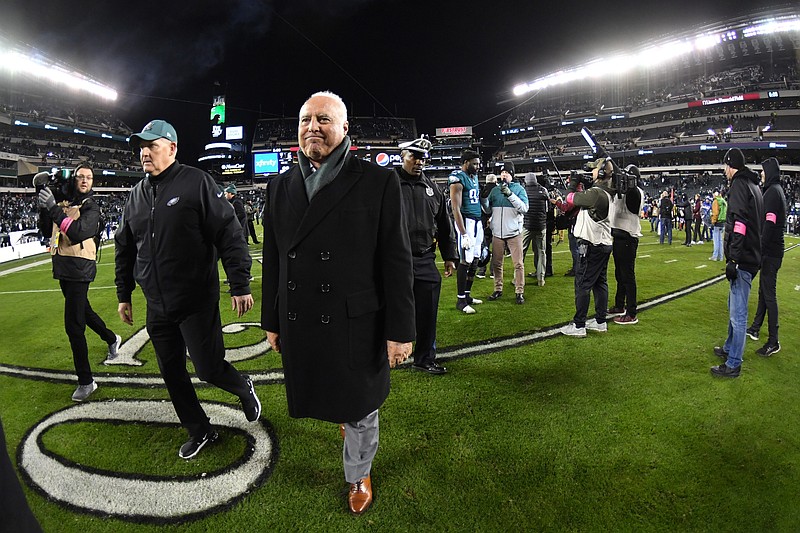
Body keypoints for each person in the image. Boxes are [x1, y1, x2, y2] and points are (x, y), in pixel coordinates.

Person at [260, 92, 415, 516]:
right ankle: (350, 436)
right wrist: (271, 319)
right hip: (303, 317)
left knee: (360, 404)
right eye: (306, 119)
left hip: (356, 320)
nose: (312, 126)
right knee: (326, 395)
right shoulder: (279, 186)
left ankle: (358, 473)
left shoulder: (378, 180)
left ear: (345, 129)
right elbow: (274, 260)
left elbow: (396, 261)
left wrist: (400, 331)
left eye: (323, 119)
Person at [115, 119, 261, 459]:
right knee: (172, 374)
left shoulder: (196, 182)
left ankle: (242, 386)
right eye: (141, 147)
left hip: (195, 299)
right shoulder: (136, 195)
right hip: (157, 304)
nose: (144, 152)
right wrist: (124, 293)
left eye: (151, 145)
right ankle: (200, 430)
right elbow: (125, 248)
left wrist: (239, 282)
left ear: (173, 148)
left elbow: (228, 232)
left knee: (208, 368)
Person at [37, 163, 121, 402]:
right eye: (80, 177)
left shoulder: (91, 206)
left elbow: (76, 233)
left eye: (89, 177)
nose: (85, 180)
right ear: (74, 180)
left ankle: (86, 381)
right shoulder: (65, 204)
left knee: (74, 325)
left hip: (80, 268)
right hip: (63, 266)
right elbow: (46, 230)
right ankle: (111, 338)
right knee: (83, 311)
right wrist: (45, 208)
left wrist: (53, 208)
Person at [397, 136, 457, 375]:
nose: (419, 162)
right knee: (388, 310)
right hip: (394, 261)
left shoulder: (432, 189)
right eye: (414, 156)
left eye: (423, 158)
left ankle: (424, 358)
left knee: (427, 312)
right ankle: (383, 355)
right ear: (403, 157)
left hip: (424, 259)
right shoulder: (388, 184)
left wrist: (450, 255)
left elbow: (445, 225)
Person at [712, 148, 763, 378]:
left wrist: (733, 258)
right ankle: (729, 348)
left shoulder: (740, 186)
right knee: (733, 307)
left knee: (738, 313)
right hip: (752, 256)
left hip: (743, 258)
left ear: (731, 165)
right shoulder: (753, 185)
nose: (724, 171)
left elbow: (739, 224)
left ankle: (733, 363)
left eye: (725, 166)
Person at [557, 158, 615, 337]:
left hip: (592, 244)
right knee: (600, 283)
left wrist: (573, 184)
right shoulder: (605, 192)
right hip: (603, 243)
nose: (592, 172)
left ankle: (579, 325)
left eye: (595, 170)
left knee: (583, 283)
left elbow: (570, 199)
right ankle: (600, 321)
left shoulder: (596, 194)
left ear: (602, 172)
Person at [746, 157, 785, 357]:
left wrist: (758, 250)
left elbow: (768, 226)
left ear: (769, 172)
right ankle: (754, 328)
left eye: (763, 171)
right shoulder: (775, 191)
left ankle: (773, 341)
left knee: (769, 294)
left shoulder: (772, 193)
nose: (761, 174)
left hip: (770, 252)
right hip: (772, 251)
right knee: (763, 292)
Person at [483, 162, 529, 304]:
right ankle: (498, 289)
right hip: (498, 233)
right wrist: (483, 198)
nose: (503, 174)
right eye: (502, 172)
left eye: (507, 172)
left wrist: (510, 195)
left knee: (518, 264)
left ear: (512, 175)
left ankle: (519, 291)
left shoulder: (519, 189)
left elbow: (524, 208)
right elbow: (487, 210)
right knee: (497, 263)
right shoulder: (495, 190)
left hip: (514, 232)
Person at [608, 165, 645, 325]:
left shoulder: (635, 192)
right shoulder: (622, 191)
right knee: (619, 274)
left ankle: (631, 312)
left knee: (627, 276)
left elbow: (632, 200)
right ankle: (619, 304)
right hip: (618, 235)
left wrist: (629, 184)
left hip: (628, 237)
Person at [448, 150, 485, 314]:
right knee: (465, 260)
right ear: (465, 162)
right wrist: (463, 233)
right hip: (467, 222)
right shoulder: (457, 178)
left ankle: (468, 295)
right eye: (474, 163)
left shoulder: (474, 177)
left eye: (478, 163)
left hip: (477, 221)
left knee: (476, 258)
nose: (477, 167)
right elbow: (455, 208)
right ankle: (460, 300)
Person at [523, 171, 549, 286]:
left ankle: (517, 279)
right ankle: (541, 279)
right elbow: (547, 208)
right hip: (541, 225)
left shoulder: (523, 190)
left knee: (521, 252)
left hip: (527, 226)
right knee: (541, 252)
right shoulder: (543, 190)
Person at [709, 189, 727, 261]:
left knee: (716, 240)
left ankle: (715, 256)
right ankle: (721, 257)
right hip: (723, 222)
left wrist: (713, 221)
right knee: (720, 240)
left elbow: (715, 213)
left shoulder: (716, 201)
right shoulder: (723, 201)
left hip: (717, 222)